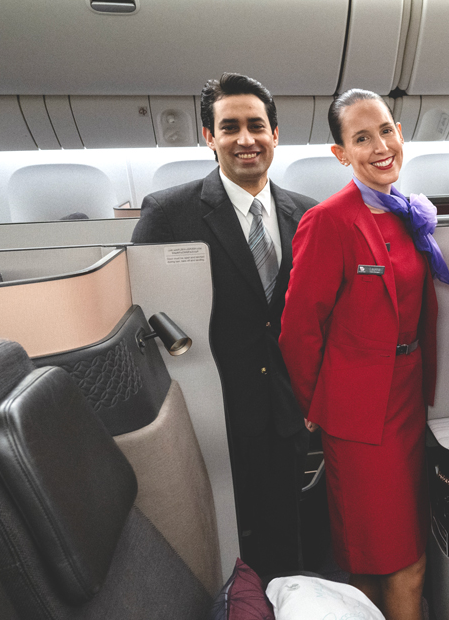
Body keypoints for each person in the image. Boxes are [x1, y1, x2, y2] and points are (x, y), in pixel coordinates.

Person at [132, 72, 317, 579]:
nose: (245, 139)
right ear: (209, 137)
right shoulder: (169, 212)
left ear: (275, 134)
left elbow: (321, 319)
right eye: (229, 127)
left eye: (257, 125)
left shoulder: (308, 215)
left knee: (286, 544)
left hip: (287, 414)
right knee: (223, 547)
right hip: (212, 410)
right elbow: (143, 316)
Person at [279, 89, 447, 620]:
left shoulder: (407, 212)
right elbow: (299, 330)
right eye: (361, 138)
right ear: (341, 154)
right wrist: (320, 410)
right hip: (361, 419)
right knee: (396, 560)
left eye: (387, 131)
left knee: (386, 555)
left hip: (408, 398)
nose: (380, 146)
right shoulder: (329, 221)